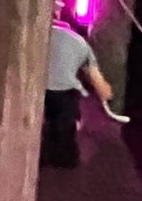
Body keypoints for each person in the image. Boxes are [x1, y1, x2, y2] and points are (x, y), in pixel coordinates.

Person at [43, 9, 112, 168]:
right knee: (66, 128)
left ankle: (43, 157)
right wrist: (106, 94)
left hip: (41, 89)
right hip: (66, 92)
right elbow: (97, 80)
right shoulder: (80, 43)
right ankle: (65, 160)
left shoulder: (41, 36)